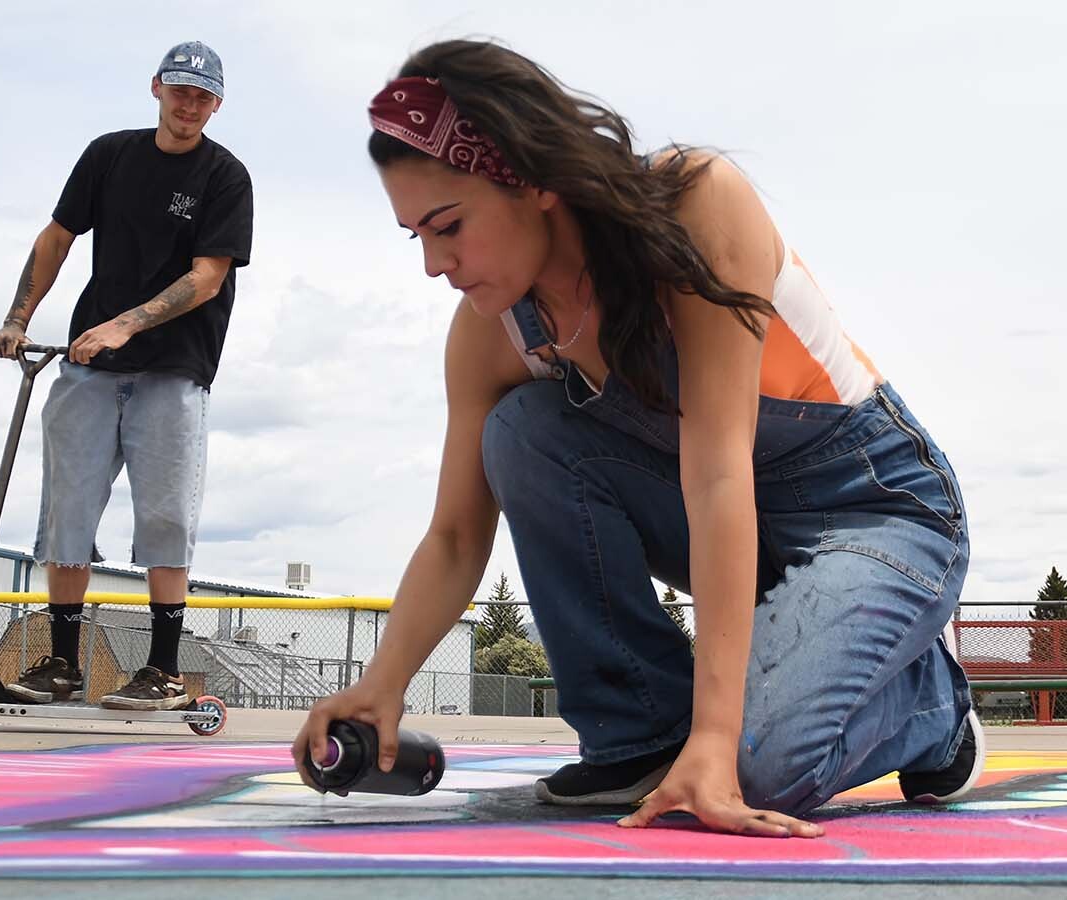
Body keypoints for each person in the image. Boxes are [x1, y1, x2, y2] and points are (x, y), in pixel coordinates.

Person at [293, 40, 979, 837]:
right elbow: (453, 537)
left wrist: (720, 741)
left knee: (755, 769)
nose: (435, 265)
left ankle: (934, 706)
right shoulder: (490, 337)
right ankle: (641, 734)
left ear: (530, 176)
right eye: (417, 236)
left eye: (449, 226)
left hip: (873, 509)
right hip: (733, 534)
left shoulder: (693, 206)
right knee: (523, 431)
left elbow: (719, 475)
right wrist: (384, 683)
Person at [0, 41, 253, 711]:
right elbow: (56, 238)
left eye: (203, 96)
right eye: (180, 90)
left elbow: (207, 277)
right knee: (67, 512)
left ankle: (161, 671)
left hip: (174, 368)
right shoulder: (110, 155)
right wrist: (18, 317)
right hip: (91, 365)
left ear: (216, 104)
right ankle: (62, 665)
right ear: (157, 87)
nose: (189, 104)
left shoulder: (225, 176)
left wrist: (126, 325)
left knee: (165, 515)